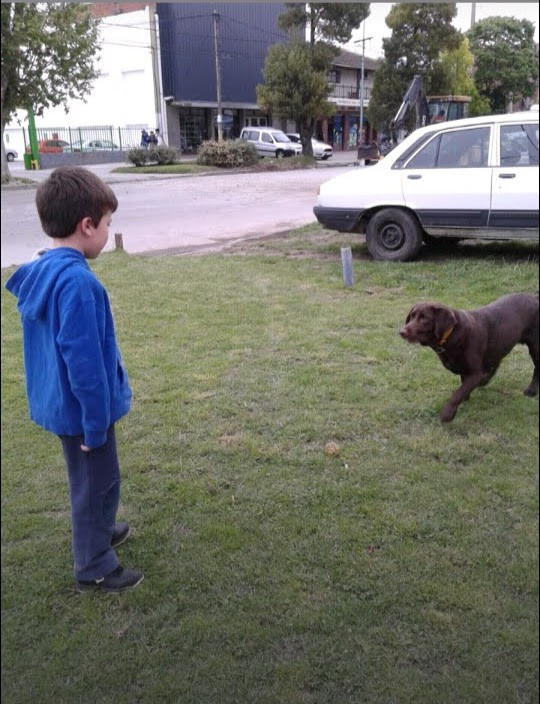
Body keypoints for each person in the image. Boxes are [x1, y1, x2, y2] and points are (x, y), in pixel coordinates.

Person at [5, 167, 143, 594]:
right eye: (107, 224)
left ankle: (100, 530)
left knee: (90, 481)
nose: (107, 232)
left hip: (65, 409)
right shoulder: (78, 283)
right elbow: (83, 365)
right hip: (84, 414)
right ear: (87, 226)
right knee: (97, 484)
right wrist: (95, 424)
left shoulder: (43, 269)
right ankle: (94, 566)